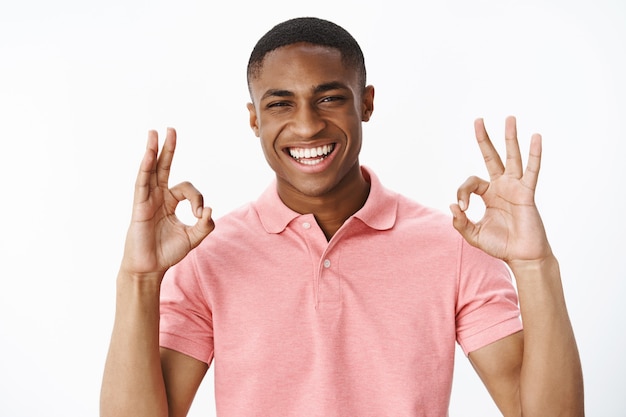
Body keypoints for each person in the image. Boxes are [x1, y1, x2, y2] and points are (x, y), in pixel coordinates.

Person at [100, 17, 584, 417]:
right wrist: (139, 279)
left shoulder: (452, 244)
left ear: (365, 103)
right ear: (254, 120)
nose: (308, 124)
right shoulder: (210, 255)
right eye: (280, 103)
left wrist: (534, 266)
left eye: (329, 98)